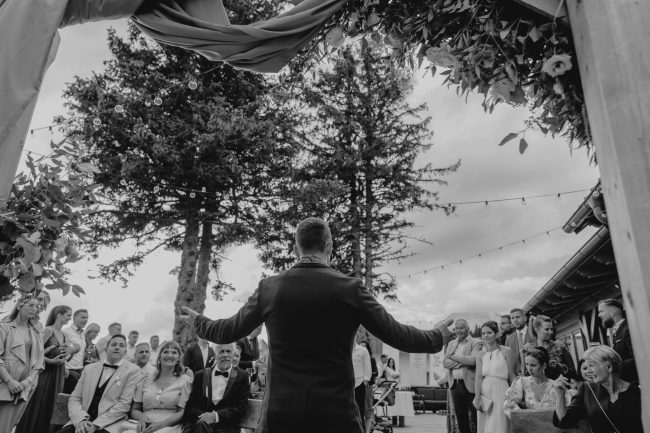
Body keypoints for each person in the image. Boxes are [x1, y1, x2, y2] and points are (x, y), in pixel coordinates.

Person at [181, 217, 452, 433]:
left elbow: (226, 331)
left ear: (296, 248)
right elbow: (398, 335)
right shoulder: (351, 289)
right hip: (335, 415)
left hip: (281, 414)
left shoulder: (269, 289)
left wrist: (199, 322)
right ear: (329, 246)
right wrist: (437, 337)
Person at [55, 333, 142, 433]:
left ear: (125, 352)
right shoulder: (89, 369)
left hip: (109, 424)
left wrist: (96, 425)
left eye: (121, 345)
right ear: (106, 350)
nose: (117, 347)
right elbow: (75, 398)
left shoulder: (133, 371)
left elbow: (124, 404)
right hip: (82, 421)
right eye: (113, 344)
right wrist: (81, 420)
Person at [553, 345, 643, 433]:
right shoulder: (587, 389)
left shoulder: (638, 391)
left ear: (609, 367)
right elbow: (565, 421)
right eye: (586, 367)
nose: (588, 371)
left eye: (591, 365)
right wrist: (560, 394)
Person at [15, 305, 72, 433]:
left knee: (51, 405)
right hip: (45, 374)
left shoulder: (64, 335)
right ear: (59, 315)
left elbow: (65, 356)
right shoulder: (48, 330)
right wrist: (51, 361)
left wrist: (66, 358)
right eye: (68, 315)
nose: (70, 318)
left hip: (58, 375)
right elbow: (34, 353)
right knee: (40, 402)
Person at [0, 294, 44, 433]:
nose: (34, 309)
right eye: (31, 305)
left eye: (37, 306)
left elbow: (39, 362)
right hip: (4, 384)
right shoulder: (4, 328)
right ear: (19, 305)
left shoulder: (36, 333)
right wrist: (9, 381)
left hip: (24, 388)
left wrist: (27, 382)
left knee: (7, 427)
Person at [182, 343, 250, 433]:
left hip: (227, 427)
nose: (225, 355)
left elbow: (241, 408)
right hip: (201, 424)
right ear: (215, 355)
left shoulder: (242, 377)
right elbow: (191, 406)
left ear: (233, 355)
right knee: (201, 426)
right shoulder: (200, 375)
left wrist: (215, 416)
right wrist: (204, 417)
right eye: (221, 351)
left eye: (228, 351)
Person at [130, 341, 192, 433]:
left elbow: (181, 412)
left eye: (174, 352)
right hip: (144, 423)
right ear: (159, 357)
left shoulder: (185, 381)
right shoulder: (145, 378)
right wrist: (142, 418)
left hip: (169, 425)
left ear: (179, 358)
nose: (169, 355)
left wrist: (160, 425)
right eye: (166, 352)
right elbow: (135, 409)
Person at [473, 321, 516, 433]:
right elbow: (478, 377)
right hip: (484, 393)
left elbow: (512, 375)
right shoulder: (480, 355)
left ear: (496, 334)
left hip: (501, 391)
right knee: (484, 425)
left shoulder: (507, 351)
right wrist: (477, 397)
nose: (486, 336)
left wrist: (514, 396)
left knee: (499, 423)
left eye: (489, 333)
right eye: (483, 333)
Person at [504, 346, 567, 417]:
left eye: (533, 365)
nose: (529, 369)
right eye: (527, 364)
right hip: (528, 422)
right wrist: (523, 416)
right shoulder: (522, 382)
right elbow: (507, 403)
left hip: (551, 423)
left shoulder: (555, 386)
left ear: (544, 366)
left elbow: (565, 414)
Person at [443, 319, 482, 433]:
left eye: (461, 328)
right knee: (461, 419)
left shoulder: (476, 342)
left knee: (476, 418)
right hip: (455, 385)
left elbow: (473, 361)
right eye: (456, 328)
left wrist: (453, 357)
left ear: (468, 329)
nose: (458, 331)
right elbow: (445, 363)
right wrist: (463, 361)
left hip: (471, 385)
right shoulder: (451, 343)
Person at [597, 298, 637, 381]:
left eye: (601, 311)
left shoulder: (628, 329)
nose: (599, 315)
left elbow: (638, 358)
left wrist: (612, 364)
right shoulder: (617, 331)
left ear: (612, 312)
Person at [525, 315, 575, 380]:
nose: (551, 332)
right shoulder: (529, 349)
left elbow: (572, 371)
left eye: (551, 329)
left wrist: (558, 366)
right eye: (547, 329)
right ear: (537, 330)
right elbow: (525, 373)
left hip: (560, 383)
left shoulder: (560, 347)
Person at [63, 308, 89, 393]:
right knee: (66, 396)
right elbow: (61, 352)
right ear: (74, 318)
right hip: (68, 371)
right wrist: (64, 369)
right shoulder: (65, 332)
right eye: (83, 317)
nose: (86, 320)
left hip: (80, 370)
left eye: (87, 318)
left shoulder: (83, 335)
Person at [504, 308, 534, 376]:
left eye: (517, 317)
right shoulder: (509, 339)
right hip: (517, 377)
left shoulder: (534, 333)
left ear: (525, 318)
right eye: (512, 318)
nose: (515, 320)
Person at [352, 341, 371, 427]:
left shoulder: (363, 350)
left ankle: (361, 429)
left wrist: (366, 380)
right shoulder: (345, 349)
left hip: (359, 383)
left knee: (360, 410)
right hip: (348, 384)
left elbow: (367, 366)